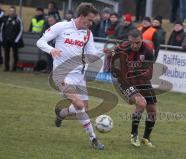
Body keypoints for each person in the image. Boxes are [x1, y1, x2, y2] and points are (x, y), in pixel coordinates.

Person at [36, 3, 104, 150]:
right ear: (82, 16)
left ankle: (62, 113)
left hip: (78, 75)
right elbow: (40, 41)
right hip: (62, 74)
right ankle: (93, 139)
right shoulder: (62, 26)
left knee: (83, 108)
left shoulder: (88, 34)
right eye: (90, 20)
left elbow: (91, 56)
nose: (91, 23)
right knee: (79, 105)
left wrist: (104, 52)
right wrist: (51, 49)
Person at [110, 29, 157, 148]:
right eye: (131, 42)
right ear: (128, 40)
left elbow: (150, 73)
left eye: (137, 42)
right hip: (125, 81)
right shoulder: (122, 48)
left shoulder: (148, 50)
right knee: (141, 103)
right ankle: (134, 135)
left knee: (152, 110)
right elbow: (113, 61)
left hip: (143, 81)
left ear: (142, 40)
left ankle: (146, 138)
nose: (134, 45)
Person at [1, 6, 23, 72]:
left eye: (13, 11)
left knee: (15, 54)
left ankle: (14, 68)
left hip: (14, 40)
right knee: (6, 54)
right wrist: (2, 38)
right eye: (10, 11)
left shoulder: (18, 19)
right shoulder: (5, 18)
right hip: (6, 39)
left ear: (15, 11)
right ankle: (6, 67)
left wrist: (17, 39)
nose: (12, 12)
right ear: (9, 11)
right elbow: (1, 29)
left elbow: (21, 29)